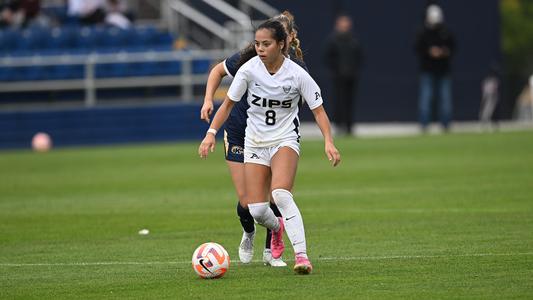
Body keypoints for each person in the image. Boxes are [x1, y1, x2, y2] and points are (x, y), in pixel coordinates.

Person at [199, 19, 341, 275]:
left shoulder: (297, 73)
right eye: (257, 44)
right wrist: (210, 133)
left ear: (282, 44)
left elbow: (319, 111)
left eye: (266, 44)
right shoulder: (248, 69)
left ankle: (302, 256)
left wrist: (328, 141)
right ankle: (276, 228)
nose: (260, 49)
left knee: (281, 195)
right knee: (255, 208)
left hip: (285, 139)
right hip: (254, 141)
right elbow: (228, 105)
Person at [415, 4, 455, 132]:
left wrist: (444, 52)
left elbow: (453, 47)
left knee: (445, 99)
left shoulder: (446, 32)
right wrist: (429, 52)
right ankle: (424, 124)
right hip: (427, 70)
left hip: (443, 69)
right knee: (426, 98)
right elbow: (418, 48)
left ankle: (446, 124)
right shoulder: (423, 33)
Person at [323, 14, 362, 135]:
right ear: (338, 25)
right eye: (342, 24)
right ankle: (339, 126)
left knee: (350, 101)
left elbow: (360, 56)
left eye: (347, 24)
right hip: (338, 77)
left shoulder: (354, 40)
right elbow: (328, 58)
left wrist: (354, 69)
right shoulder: (333, 40)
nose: (345, 26)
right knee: (339, 101)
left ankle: (349, 126)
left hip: (351, 76)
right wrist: (337, 69)